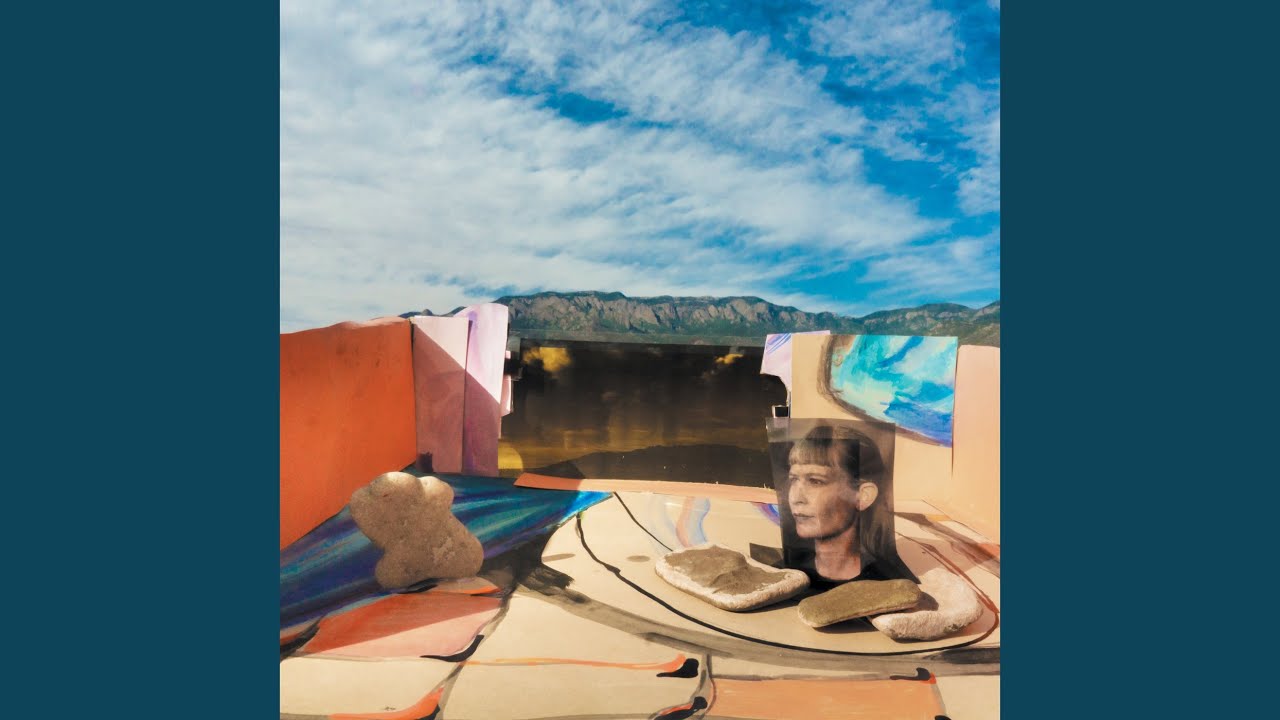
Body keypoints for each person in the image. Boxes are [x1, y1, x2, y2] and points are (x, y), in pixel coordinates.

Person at [782, 424, 917, 584]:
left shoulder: (891, 583)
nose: (796, 498)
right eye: (793, 479)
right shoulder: (784, 576)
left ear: (863, 496)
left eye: (815, 481)